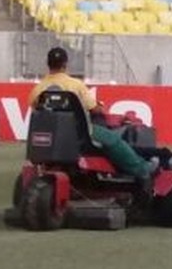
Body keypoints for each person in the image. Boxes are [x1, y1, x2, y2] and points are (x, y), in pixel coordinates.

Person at [28, 47, 156, 181]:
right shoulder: (75, 85)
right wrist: (100, 106)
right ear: (65, 64)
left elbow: (37, 111)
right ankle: (142, 169)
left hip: (49, 135)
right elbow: (95, 109)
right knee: (114, 141)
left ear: (48, 63)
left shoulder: (37, 89)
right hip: (77, 133)